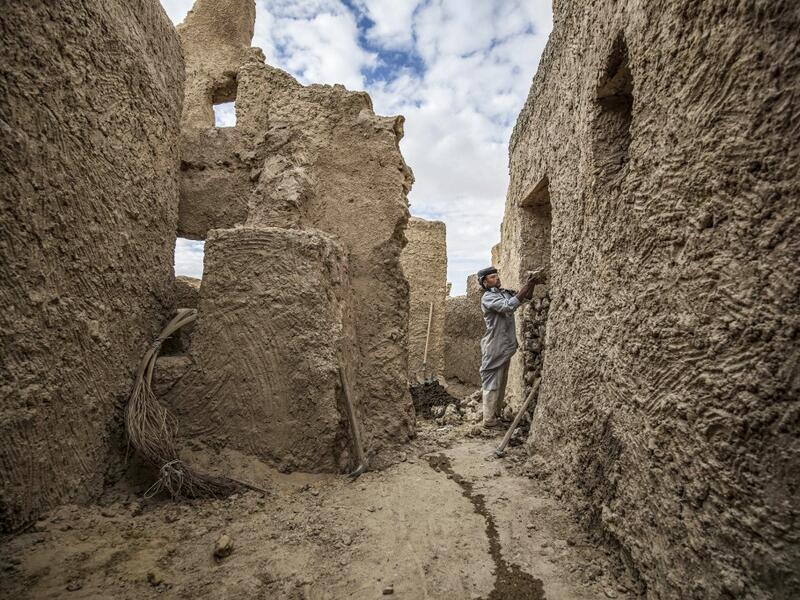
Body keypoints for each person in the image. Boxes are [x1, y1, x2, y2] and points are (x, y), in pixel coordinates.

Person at [476, 266, 544, 427]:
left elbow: (524, 297)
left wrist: (531, 284)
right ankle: (488, 419)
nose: (497, 278)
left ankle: (495, 416)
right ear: (485, 282)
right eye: (492, 277)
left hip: (505, 346)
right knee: (491, 380)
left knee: (501, 381)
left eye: (496, 276)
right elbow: (509, 306)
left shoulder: (504, 292)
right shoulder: (488, 297)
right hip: (494, 345)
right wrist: (528, 284)